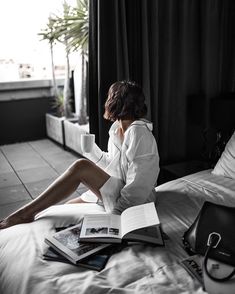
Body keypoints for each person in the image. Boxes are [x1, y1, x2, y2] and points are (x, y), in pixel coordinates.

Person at [0, 80, 160, 230]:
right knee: (68, 206)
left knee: (80, 166)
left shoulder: (139, 134)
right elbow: (112, 164)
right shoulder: (116, 129)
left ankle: (24, 214)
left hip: (134, 201)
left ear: (116, 102)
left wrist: (118, 214)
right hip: (118, 188)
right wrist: (91, 151)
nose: (107, 101)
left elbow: (140, 183)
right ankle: (32, 217)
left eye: (110, 97)